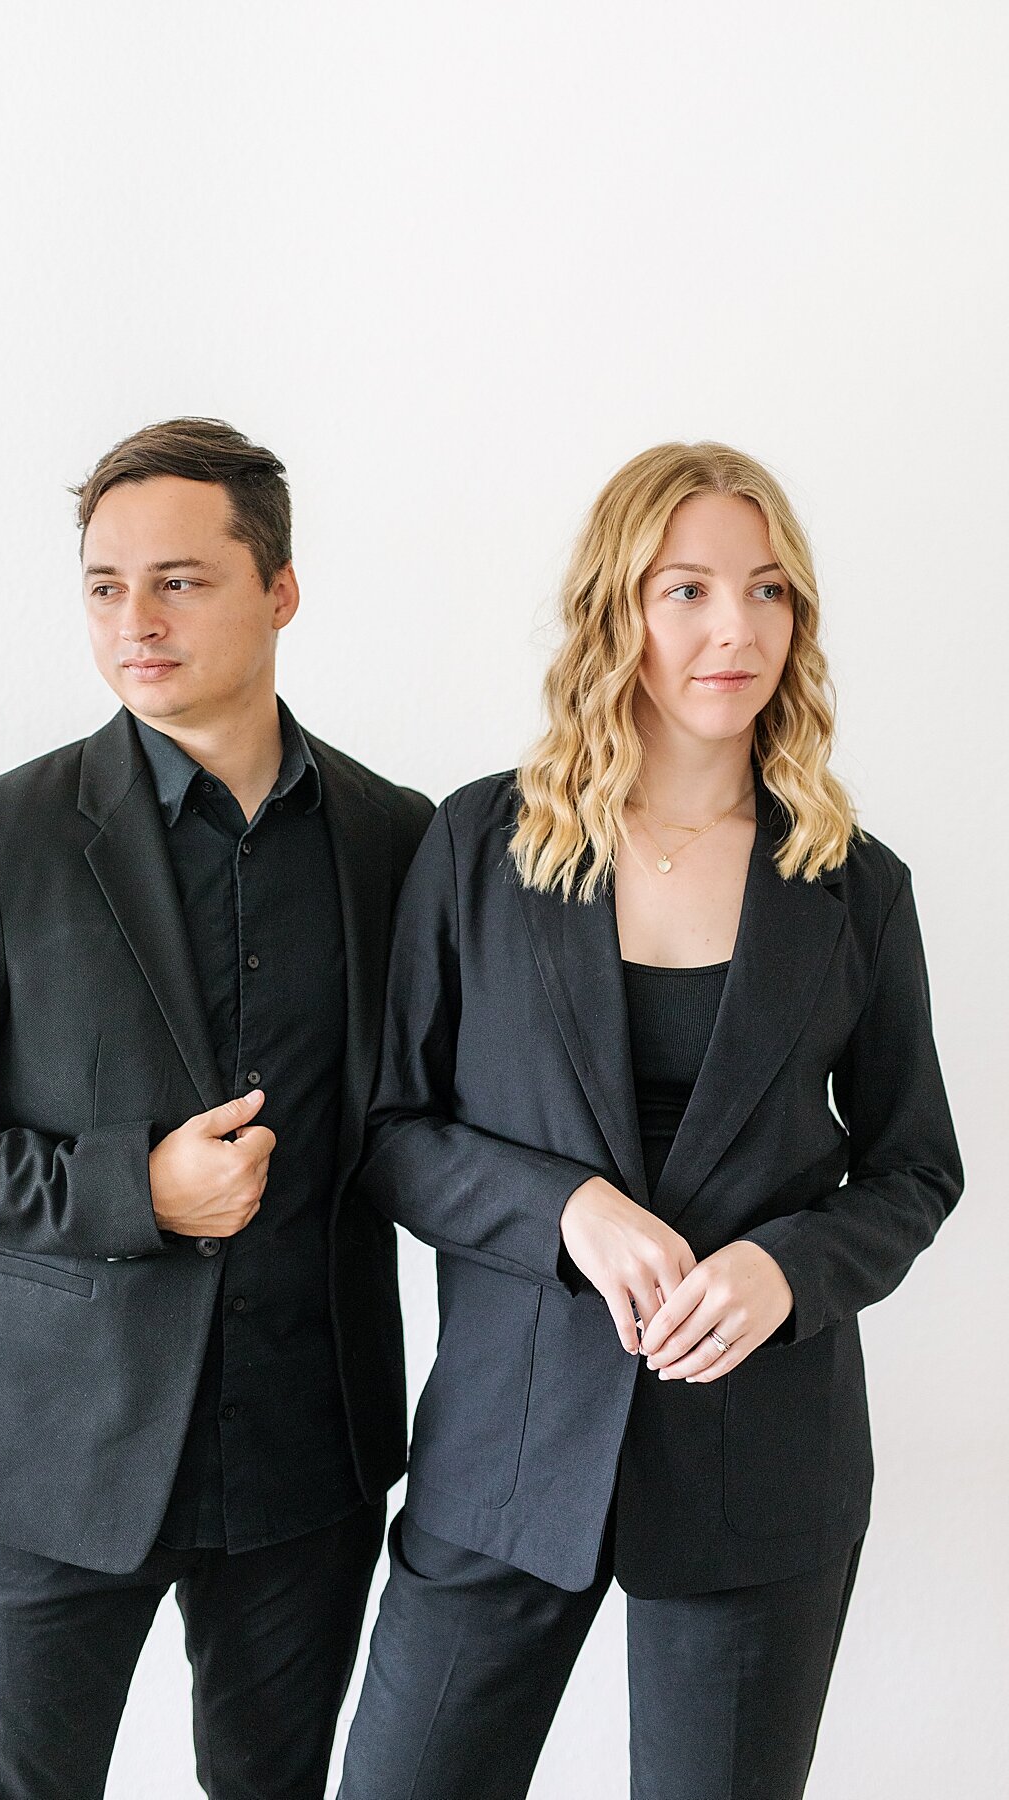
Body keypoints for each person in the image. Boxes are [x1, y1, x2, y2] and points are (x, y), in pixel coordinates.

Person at [337, 441, 962, 1800]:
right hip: (503, 1456)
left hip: (760, 1473)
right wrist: (568, 1207)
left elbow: (916, 1168)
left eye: (769, 591)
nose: (733, 628)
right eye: (685, 589)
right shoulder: (479, 849)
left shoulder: (854, 886)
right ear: (615, 611)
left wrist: (785, 1268)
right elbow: (390, 1131)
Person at [0, 417, 433, 1800]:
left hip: (309, 1456)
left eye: (179, 580)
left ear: (280, 590)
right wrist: (134, 1191)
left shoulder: (396, 837)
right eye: (105, 585)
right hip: (53, 1462)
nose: (134, 621)